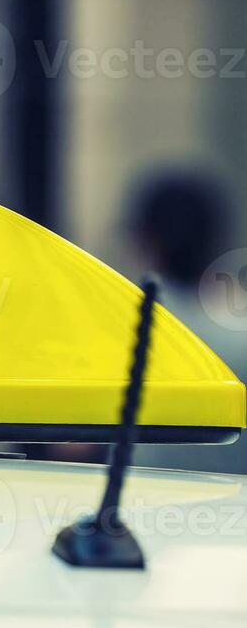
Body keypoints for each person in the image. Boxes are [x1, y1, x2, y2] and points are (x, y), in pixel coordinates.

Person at [127, 168, 247, 474]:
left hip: (136, 510)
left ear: (145, 238)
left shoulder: (124, 322)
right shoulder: (237, 330)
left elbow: (72, 446)